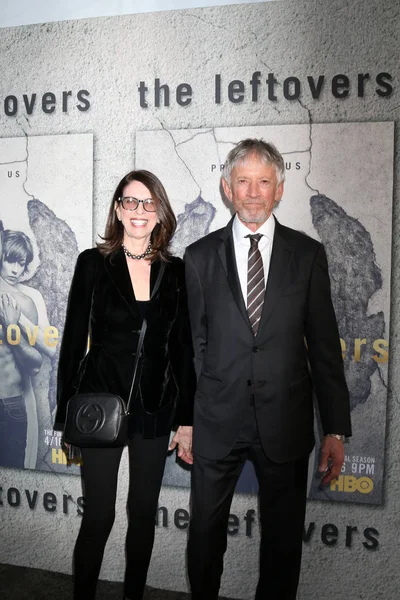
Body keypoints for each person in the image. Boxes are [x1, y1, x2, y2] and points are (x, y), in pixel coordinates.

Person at [184, 139, 352, 600]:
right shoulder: (198, 258)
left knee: (282, 545)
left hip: (286, 420)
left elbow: (323, 347)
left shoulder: (308, 255)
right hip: (217, 421)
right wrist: (186, 419)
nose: (253, 192)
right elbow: (191, 347)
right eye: (243, 181)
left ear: (279, 189)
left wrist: (336, 427)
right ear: (226, 188)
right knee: (203, 536)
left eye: (264, 182)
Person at [54, 169, 196, 600]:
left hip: (155, 412)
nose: (139, 211)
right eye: (130, 202)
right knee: (98, 517)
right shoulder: (92, 263)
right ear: (117, 209)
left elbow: (183, 351)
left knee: (141, 515)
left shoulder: (176, 271)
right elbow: (74, 340)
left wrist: (185, 420)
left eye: (148, 202)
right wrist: (66, 416)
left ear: (160, 213)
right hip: (100, 406)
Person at [0, 225, 43, 468]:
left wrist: (11, 327)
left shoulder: (25, 304)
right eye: (10, 260)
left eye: (22, 263)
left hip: (9, 406)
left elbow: (35, 366)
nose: (16, 270)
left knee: (10, 484)